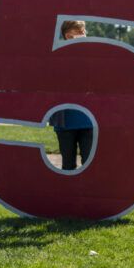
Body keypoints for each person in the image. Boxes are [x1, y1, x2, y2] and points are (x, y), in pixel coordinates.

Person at [49, 20, 94, 170]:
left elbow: (119, 66)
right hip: (65, 122)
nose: (85, 35)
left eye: (84, 31)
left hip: (88, 120)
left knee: (89, 164)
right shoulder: (56, 55)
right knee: (68, 165)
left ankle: (87, 193)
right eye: (81, 32)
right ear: (68, 36)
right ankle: (68, 193)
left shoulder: (92, 54)